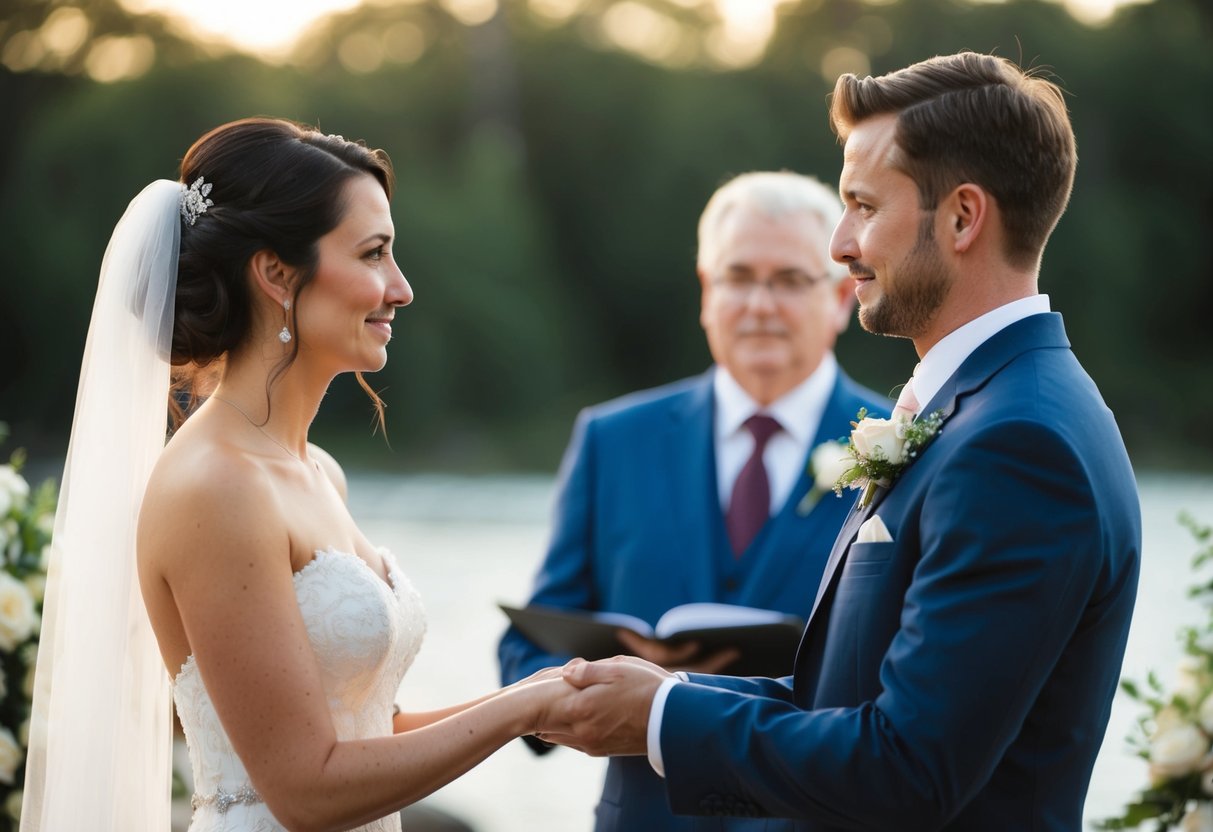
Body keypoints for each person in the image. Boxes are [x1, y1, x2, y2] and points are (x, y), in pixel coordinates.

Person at [537, 51, 1142, 830]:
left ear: (962, 216)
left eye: (861, 205)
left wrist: (660, 721)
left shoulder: (1019, 444)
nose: (838, 245)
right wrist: (665, 698)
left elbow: (909, 769)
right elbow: (846, 700)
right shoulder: (984, 407)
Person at [21, 117, 572, 832]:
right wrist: (521, 711)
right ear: (277, 274)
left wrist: (550, 690)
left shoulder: (318, 472)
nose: (400, 289)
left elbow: (370, 731)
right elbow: (304, 789)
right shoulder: (213, 487)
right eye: (373, 254)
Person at [498, 171, 890, 830]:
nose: (759, 304)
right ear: (707, 293)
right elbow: (530, 641)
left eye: (790, 280)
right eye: (737, 277)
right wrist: (593, 687)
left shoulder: (904, 445)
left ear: (842, 298)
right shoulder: (612, 440)